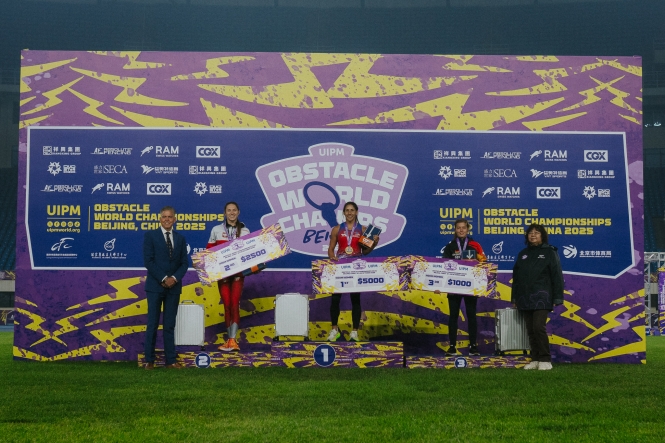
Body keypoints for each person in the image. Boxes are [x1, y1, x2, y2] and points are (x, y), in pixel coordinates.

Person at [511, 223, 564, 371]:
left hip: (543, 297)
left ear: (543, 236)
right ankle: (535, 359)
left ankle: (545, 359)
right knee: (530, 330)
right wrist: (514, 298)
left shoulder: (550, 252)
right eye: (530, 233)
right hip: (524, 297)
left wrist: (557, 297)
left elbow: (557, 275)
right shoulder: (523, 253)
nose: (533, 235)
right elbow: (516, 278)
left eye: (536, 232)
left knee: (538, 327)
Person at [143, 206, 190, 370]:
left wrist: (174, 279)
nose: (167, 219)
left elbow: (184, 263)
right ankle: (149, 360)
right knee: (152, 324)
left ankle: (171, 360)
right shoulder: (150, 236)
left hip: (174, 288)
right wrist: (164, 278)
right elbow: (148, 261)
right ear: (160, 219)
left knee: (169, 325)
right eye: (164, 217)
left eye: (170, 217)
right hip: (155, 287)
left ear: (174, 219)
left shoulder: (180, 238)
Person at [326, 202, 380, 342]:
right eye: (347, 210)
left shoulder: (363, 230)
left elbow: (365, 252)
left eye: (352, 210)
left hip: (356, 267)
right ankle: (334, 330)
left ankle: (354, 332)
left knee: (355, 300)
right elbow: (331, 249)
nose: (349, 213)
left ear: (356, 212)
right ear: (344, 213)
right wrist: (332, 258)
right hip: (340, 267)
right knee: (335, 299)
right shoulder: (336, 229)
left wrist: (374, 243)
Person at [207, 201, 250, 352]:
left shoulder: (245, 230)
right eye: (229, 210)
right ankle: (229, 340)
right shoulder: (216, 230)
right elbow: (209, 251)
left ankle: (233, 340)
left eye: (234, 210)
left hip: (238, 274)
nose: (232, 213)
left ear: (238, 212)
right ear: (225, 213)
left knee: (234, 303)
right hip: (223, 274)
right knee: (226, 305)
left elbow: (249, 252)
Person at [441, 218, 486, 356]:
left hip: (470, 285)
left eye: (463, 228)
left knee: (471, 315)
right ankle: (452, 347)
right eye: (458, 228)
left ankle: (473, 347)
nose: (461, 230)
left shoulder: (475, 245)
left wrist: (475, 261)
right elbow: (443, 266)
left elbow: (484, 263)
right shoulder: (450, 246)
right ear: (455, 230)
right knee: (453, 316)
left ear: (467, 229)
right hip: (453, 285)